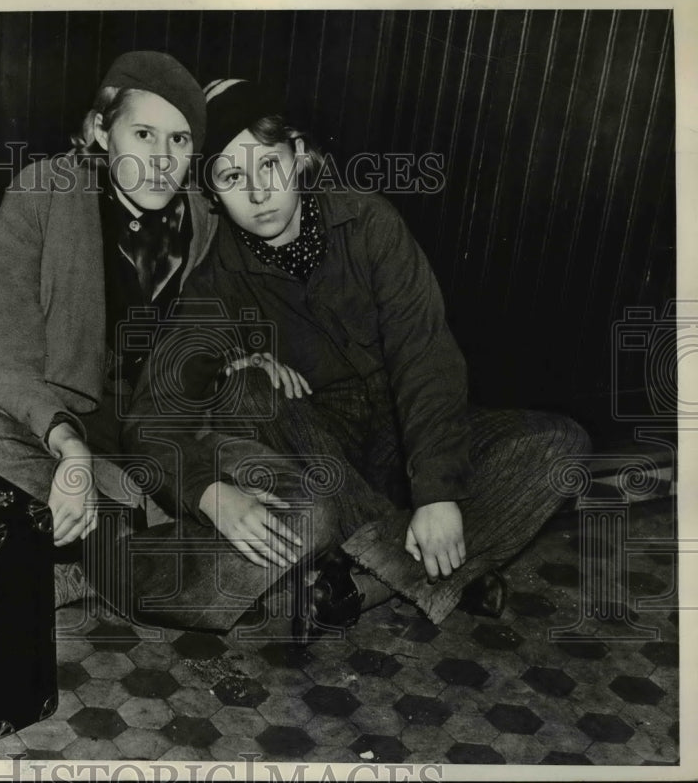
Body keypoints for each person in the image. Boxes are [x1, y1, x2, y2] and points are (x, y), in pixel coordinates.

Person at [116, 79, 592, 639]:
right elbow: (150, 416)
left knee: (563, 446)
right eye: (231, 177)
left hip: (403, 436)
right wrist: (209, 495)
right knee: (253, 394)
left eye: (269, 165)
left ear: (298, 154)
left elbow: (427, 357)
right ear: (212, 194)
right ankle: (433, 572)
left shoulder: (369, 224)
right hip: (318, 448)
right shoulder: (215, 283)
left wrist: (437, 492)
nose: (259, 193)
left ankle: (363, 580)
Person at [0, 52, 216, 604]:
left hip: (155, 437)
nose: (162, 159)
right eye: (143, 133)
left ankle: (103, 541)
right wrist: (71, 452)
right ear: (101, 132)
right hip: (59, 421)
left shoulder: (203, 222)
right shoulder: (43, 193)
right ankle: (127, 530)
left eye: (179, 141)